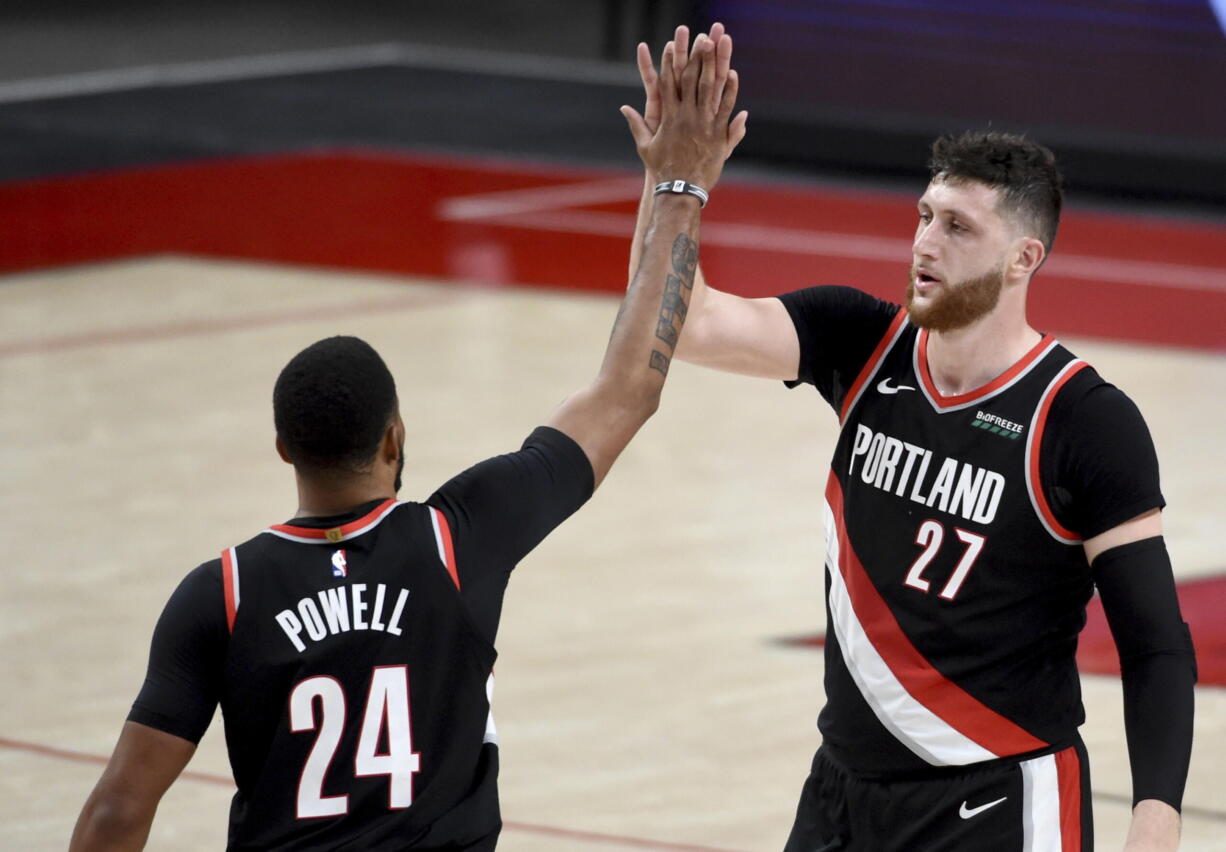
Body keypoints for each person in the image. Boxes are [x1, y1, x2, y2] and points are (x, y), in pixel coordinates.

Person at [69, 35, 742, 852]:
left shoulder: (222, 594)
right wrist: (679, 187)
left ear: (283, 448)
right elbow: (629, 386)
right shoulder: (458, 540)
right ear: (395, 436)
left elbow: (115, 813)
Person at [627, 25, 1196, 852]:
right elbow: (686, 323)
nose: (925, 243)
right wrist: (674, 181)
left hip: (996, 799)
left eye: (959, 228)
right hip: (841, 792)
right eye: (925, 216)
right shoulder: (859, 341)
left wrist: (1156, 822)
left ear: (1022, 259)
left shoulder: (1083, 419)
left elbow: (1155, 644)